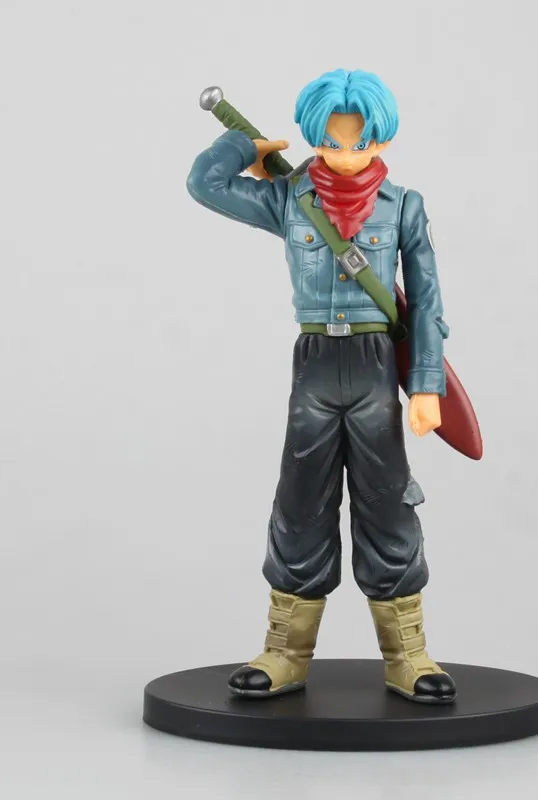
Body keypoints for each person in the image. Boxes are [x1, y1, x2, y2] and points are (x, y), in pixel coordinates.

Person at [186, 69, 456, 704]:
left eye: (360, 142)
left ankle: (408, 655)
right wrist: (244, 146)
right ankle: (285, 651)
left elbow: (427, 301)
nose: (346, 153)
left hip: (375, 365)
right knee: (300, 501)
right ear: (312, 137)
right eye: (332, 141)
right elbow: (205, 184)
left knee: (388, 503)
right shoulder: (289, 199)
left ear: (381, 139)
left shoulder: (404, 206)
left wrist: (426, 384)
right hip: (313, 364)